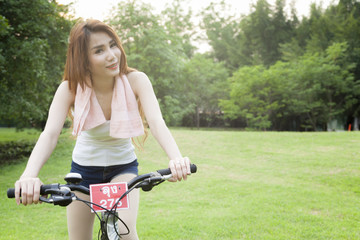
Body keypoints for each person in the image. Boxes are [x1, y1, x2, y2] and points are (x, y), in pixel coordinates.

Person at [14, 19, 191, 240]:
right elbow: (50, 134)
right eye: (99, 50)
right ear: (83, 60)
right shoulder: (69, 88)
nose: (111, 55)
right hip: (83, 173)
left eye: (112, 45)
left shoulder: (137, 80)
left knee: (125, 234)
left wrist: (176, 158)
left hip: (123, 169)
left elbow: (157, 122)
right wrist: (29, 175)